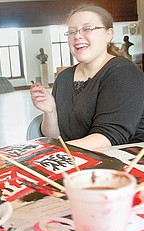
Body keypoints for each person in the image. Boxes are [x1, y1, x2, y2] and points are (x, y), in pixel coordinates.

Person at [30, 4, 144, 151]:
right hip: (76, 160)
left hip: (123, 164)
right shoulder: (64, 77)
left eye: (87, 28)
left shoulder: (123, 72)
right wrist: (50, 111)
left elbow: (110, 137)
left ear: (108, 35)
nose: (77, 36)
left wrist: (52, 152)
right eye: (71, 32)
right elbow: (55, 136)